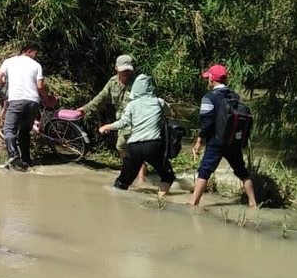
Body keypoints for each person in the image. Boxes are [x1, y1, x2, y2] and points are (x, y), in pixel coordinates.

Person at [190, 64, 258, 208]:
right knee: (242, 171)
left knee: (204, 171)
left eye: (208, 77)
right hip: (233, 140)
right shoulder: (235, 96)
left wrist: (198, 141)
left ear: (211, 79)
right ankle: (253, 203)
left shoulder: (209, 97)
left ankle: (193, 204)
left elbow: (207, 122)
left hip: (216, 141)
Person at [99, 74, 176, 194]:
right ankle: (161, 201)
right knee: (167, 176)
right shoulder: (159, 102)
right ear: (150, 88)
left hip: (134, 147)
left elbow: (123, 123)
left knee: (123, 181)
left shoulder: (132, 105)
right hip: (153, 145)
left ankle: (116, 201)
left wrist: (106, 126)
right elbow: (169, 113)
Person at [80, 53, 144, 183]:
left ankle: (140, 176)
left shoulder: (139, 83)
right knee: (125, 147)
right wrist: (84, 109)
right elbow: (101, 98)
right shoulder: (112, 82)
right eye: (123, 70)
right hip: (121, 121)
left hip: (136, 119)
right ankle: (129, 169)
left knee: (131, 146)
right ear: (116, 68)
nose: (126, 72)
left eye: (128, 69)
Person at [0, 42, 47, 171]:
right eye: (35, 52)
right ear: (28, 51)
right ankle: (26, 161)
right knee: (24, 131)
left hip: (17, 100)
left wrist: (3, 83)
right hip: (33, 102)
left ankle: (13, 154)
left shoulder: (9, 62)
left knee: (9, 129)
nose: (35, 55)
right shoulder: (37, 65)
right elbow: (40, 86)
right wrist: (47, 98)